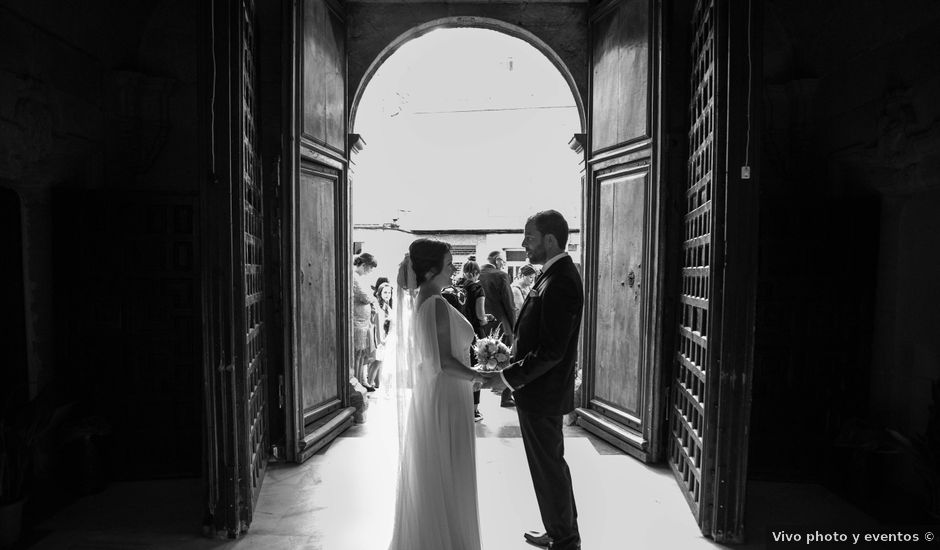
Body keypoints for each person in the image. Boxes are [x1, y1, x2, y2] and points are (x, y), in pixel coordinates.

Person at [388, 238, 495, 550]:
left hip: (444, 393)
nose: (454, 270)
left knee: (442, 472)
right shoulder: (434, 304)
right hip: (446, 396)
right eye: (449, 265)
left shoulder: (429, 300)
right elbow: (444, 361)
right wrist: (482, 377)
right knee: (448, 471)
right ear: (432, 270)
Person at [491, 210, 583, 550]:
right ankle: (558, 529)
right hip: (538, 390)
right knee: (547, 467)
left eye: (528, 237)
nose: (523, 244)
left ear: (549, 239)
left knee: (549, 467)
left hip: (542, 391)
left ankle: (565, 539)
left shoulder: (561, 280)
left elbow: (552, 351)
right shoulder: (551, 275)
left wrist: (510, 377)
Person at [458, 259, 495, 422]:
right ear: (476, 274)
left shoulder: (457, 287)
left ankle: (460, 406)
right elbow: (480, 315)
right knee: (476, 369)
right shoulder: (477, 288)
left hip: (458, 331)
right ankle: (473, 410)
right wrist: (487, 319)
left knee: (461, 368)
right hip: (474, 333)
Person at [478, 249, 517, 407]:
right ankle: (506, 397)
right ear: (496, 260)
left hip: (481, 324)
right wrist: (514, 326)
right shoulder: (501, 275)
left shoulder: (476, 273)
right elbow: (509, 303)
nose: (503, 264)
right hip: (500, 324)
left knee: (480, 359)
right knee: (507, 358)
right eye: (503, 261)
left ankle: (476, 401)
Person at [352, 252, 378, 391]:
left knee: (362, 353)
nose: (370, 271)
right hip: (358, 322)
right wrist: (372, 299)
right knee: (358, 353)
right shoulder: (354, 277)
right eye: (370, 268)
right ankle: (356, 383)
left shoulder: (361, 278)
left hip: (363, 322)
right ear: (363, 265)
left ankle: (361, 381)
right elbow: (366, 297)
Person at [367, 282, 393, 390]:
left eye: (389, 292)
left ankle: (377, 385)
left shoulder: (387, 306)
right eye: (385, 292)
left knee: (380, 362)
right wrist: (380, 340)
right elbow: (376, 325)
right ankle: (368, 384)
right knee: (377, 362)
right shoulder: (378, 307)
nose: (387, 294)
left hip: (385, 337)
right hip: (379, 338)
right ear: (380, 293)